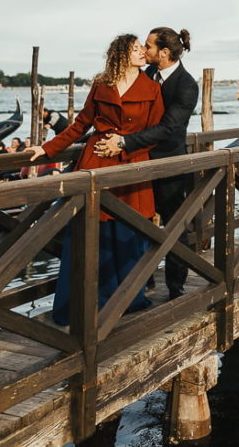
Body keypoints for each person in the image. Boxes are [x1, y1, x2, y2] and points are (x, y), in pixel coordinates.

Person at [28, 34, 165, 326]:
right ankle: (82, 303)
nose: (143, 52)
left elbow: (156, 133)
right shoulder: (101, 84)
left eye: (143, 48)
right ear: (121, 54)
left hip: (133, 165)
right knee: (90, 231)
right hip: (96, 161)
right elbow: (80, 124)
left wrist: (124, 144)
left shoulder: (152, 88)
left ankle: (127, 299)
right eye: (136, 48)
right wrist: (46, 148)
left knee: (130, 229)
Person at [94, 27, 197, 299]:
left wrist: (124, 142)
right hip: (139, 162)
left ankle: (176, 286)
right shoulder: (147, 74)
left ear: (163, 52)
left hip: (168, 164)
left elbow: (170, 128)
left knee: (173, 226)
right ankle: (142, 282)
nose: (144, 50)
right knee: (138, 221)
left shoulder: (187, 85)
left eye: (149, 46)